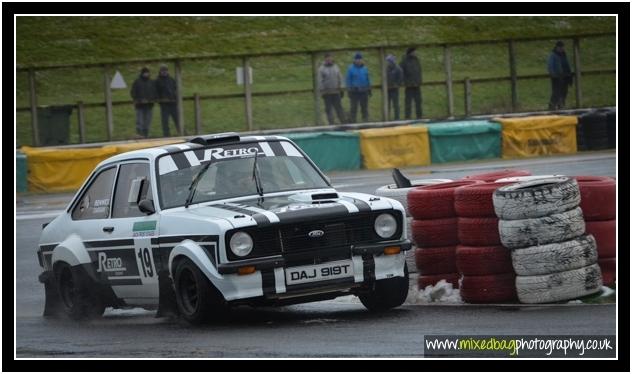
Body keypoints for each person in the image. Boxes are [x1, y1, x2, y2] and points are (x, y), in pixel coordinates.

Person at [318, 53, 346, 125]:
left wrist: (341, 88)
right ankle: (331, 123)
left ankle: (343, 122)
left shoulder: (336, 67)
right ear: (325, 59)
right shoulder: (321, 69)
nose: (329, 59)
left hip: (336, 92)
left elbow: (340, 77)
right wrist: (322, 91)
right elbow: (320, 81)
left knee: (339, 107)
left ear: (332, 58)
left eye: (330, 58)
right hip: (327, 92)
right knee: (328, 109)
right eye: (327, 58)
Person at [130, 67, 157, 138]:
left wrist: (152, 100)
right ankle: (139, 134)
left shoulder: (151, 82)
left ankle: (146, 135)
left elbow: (155, 92)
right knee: (140, 121)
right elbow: (133, 92)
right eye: (145, 73)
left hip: (149, 105)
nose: (146, 74)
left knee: (147, 121)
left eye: (147, 72)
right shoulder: (137, 82)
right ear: (142, 73)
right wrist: (138, 100)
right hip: (140, 105)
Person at [345, 52, 371, 123]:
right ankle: (353, 122)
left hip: (364, 91)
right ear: (354, 60)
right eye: (357, 59)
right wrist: (349, 90)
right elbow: (348, 80)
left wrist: (369, 88)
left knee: (364, 108)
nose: (359, 60)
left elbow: (368, 78)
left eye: (360, 59)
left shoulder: (365, 68)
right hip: (354, 92)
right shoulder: (350, 69)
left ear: (362, 60)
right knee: (353, 108)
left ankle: (365, 121)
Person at [547, 41, 573, 110]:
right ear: (557, 47)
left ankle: (561, 105)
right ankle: (552, 105)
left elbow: (567, 65)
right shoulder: (553, 55)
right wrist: (553, 74)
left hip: (565, 76)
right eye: (560, 47)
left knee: (564, 91)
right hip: (557, 76)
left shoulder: (564, 55)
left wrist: (569, 75)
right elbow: (550, 66)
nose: (561, 49)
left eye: (562, 47)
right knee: (556, 92)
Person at [155, 64, 179, 137]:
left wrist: (175, 99)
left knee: (177, 119)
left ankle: (181, 132)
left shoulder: (171, 80)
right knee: (165, 121)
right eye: (163, 70)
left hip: (173, 103)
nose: (164, 72)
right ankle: (166, 135)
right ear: (160, 71)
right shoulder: (157, 81)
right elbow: (156, 92)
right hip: (164, 104)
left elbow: (176, 89)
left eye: (165, 70)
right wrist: (160, 99)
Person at [400, 47, 423, 119]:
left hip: (417, 85)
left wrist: (419, 81)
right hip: (409, 85)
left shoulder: (416, 60)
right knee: (408, 103)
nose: (415, 53)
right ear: (410, 52)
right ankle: (407, 117)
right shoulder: (404, 61)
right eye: (414, 52)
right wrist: (404, 81)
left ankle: (419, 117)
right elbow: (400, 72)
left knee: (418, 102)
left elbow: (419, 71)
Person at [386, 54, 403, 120]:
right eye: (388, 61)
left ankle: (397, 118)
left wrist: (397, 85)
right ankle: (387, 117)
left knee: (395, 104)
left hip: (394, 90)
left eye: (389, 61)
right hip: (387, 89)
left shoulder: (398, 69)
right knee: (387, 104)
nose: (388, 63)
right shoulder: (386, 69)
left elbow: (400, 78)